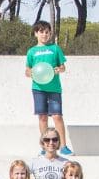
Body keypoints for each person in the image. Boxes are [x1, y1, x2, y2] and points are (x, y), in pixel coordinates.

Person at [25, 20, 73, 153]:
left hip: (54, 89)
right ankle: (44, 147)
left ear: (50, 34)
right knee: (42, 117)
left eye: (47, 32)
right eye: (41, 32)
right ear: (36, 33)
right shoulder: (31, 51)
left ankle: (63, 146)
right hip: (38, 89)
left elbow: (63, 67)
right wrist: (31, 73)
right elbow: (27, 70)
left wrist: (59, 69)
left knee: (57, 116)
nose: (44, 35)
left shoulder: (55, 49)